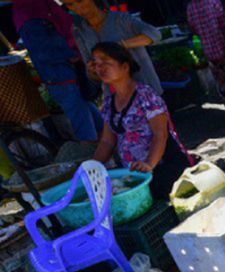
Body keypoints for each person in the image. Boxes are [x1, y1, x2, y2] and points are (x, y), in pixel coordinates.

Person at [89, 42, 191, 200]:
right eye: (96, 64)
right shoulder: (108, 103)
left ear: (124, 67)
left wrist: (149, 164)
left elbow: (160, 134)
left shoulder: (145, 95)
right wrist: (90, 169)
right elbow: (107, 142)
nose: (99, 68)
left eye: (106, 62)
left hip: (163, 168)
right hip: (134, 176)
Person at [13, 0, 101, 142]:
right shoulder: (29, 15)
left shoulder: (44, 6)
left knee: (86, 109)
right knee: (82, 118)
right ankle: (97, 158)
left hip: (70, 72)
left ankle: (106, 150)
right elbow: (44, 51)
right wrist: (72, 55)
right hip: (61, 75)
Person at [62, 0, 163, 95]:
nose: (77, 7)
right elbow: (92, 72)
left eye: (80, 0)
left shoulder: (121, 19)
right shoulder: (80, 32)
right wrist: (92, 70)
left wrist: (120, 45)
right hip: (115, 97)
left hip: (145, 92)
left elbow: (155, 34)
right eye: (70, 4)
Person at [186, 0, 225, 112]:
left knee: (221, 80)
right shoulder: (213, 2)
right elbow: (224, 25)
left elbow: (194, 29)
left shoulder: (190, 8)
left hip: (209, 51)